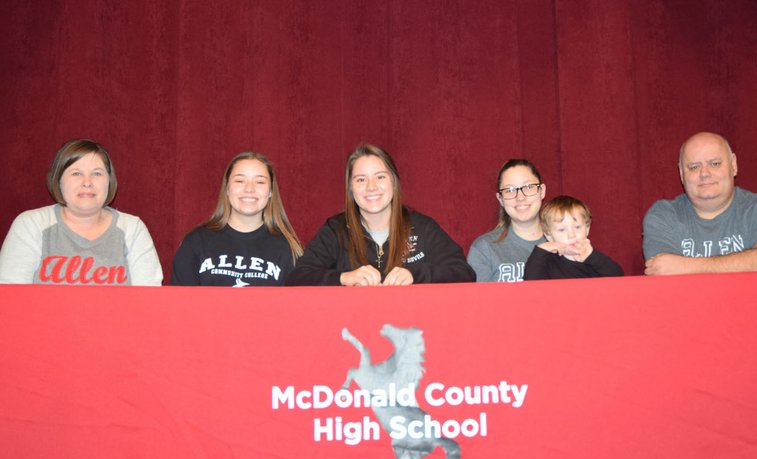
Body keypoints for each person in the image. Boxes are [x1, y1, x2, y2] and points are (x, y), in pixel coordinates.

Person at [286, 143, 475, 286]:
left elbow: (463, 273)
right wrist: (343, 277)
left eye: (380, 177)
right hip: (352, 329)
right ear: (351, 188)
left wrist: (414, 275)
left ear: (394, 182)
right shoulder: (336, 230)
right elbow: (298, 277)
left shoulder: (422, 227)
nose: (371, 187)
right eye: (361, 179)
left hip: (408, 328)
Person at [0, 138, 163, 285]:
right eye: (76, 173)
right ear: (58, 180)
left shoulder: (132, 229)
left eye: (97, 173)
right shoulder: (31, 225)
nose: (87, 182)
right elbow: (10, 296)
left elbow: (149, 299)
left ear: (109, 181)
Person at [643, 132, 757, 275]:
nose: (704, 173)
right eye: (694, 167)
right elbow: (662, 274)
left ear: (733, 165)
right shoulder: (663, 215)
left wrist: (685, 267)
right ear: (682, 174)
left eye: (715, 163)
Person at [170, 152, 303, 286]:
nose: (249, 189)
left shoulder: (288, 249)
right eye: (240, 181)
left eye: (260, 181)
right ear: (227, 188)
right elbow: (179, 303)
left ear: (270, 192)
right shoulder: (196, 243)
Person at [467, 159, 548, 282]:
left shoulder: (568, 241)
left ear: (541, 191)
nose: (520, 197)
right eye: (509, 190)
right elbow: (476, 300)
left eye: (528, 187)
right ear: (500, 199)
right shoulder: (484, 249)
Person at [523, 195, 623, 280]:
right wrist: (541, 251)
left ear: (587, 229)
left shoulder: (593, 261)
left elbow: (618, 277)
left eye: (577, 227)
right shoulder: (548, 263)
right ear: (549, 236)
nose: (571, 235)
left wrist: (592, 256)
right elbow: (530, 282)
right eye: (562, 230)